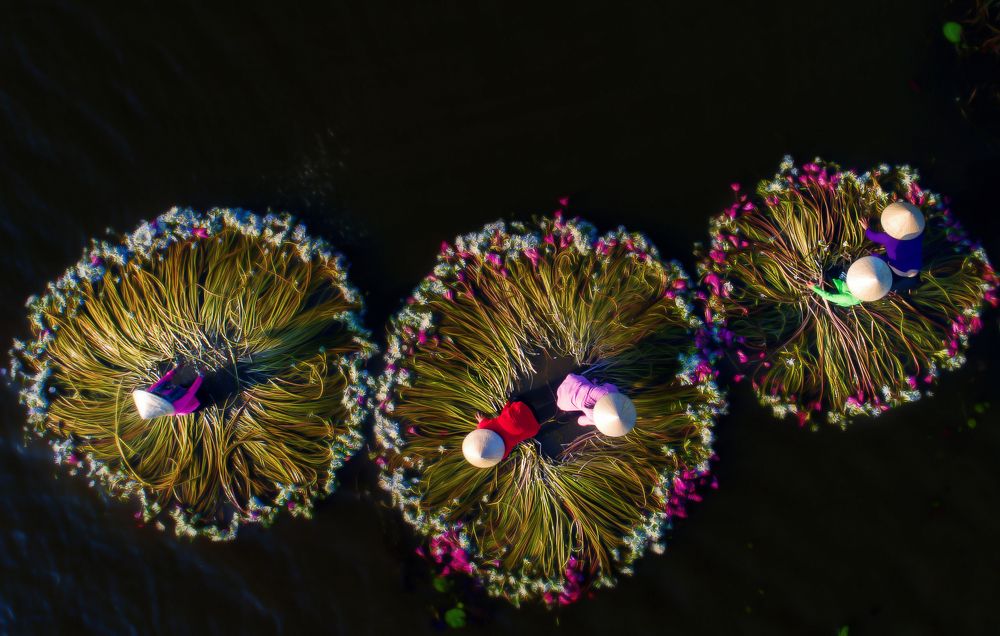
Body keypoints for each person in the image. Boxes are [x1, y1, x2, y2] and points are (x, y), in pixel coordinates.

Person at [462, 401, 540, 468]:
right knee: (514, 403)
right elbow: (482, 420)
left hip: (533, 426)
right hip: (520, 408)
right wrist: (481, 420)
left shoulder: (503, 454)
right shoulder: (484, 427)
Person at [555, 373, 636, 437]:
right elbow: (580, 420)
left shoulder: (612, 392)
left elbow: (607, 384)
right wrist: (596, 423)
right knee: (561, 406)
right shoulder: (594, 417)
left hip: (573, 379)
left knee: (592, 384)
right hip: (565, 399)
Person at [862, 201, 924, 281]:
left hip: (899, 270)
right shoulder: (919, 234)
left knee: (875, 255)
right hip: (916, 267)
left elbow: (872, 236)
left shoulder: (888, 238)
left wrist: (867, 228)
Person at [812, 256, 893, 307]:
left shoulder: (850, 298)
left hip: (838, 291)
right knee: (841, 270)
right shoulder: (869, 282)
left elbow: (829, 296)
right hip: (846, 283)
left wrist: (814, 288)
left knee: (828, 274)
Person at [132, 366, 204, 419]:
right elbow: (190, 394)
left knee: (182, 381)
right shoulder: (175, 407)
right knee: (203, 394)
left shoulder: (151, 392)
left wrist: (175, 370)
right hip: (192, 402)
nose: (151, 395)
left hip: (177, 391)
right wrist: (200, 376)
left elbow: (163, 380)